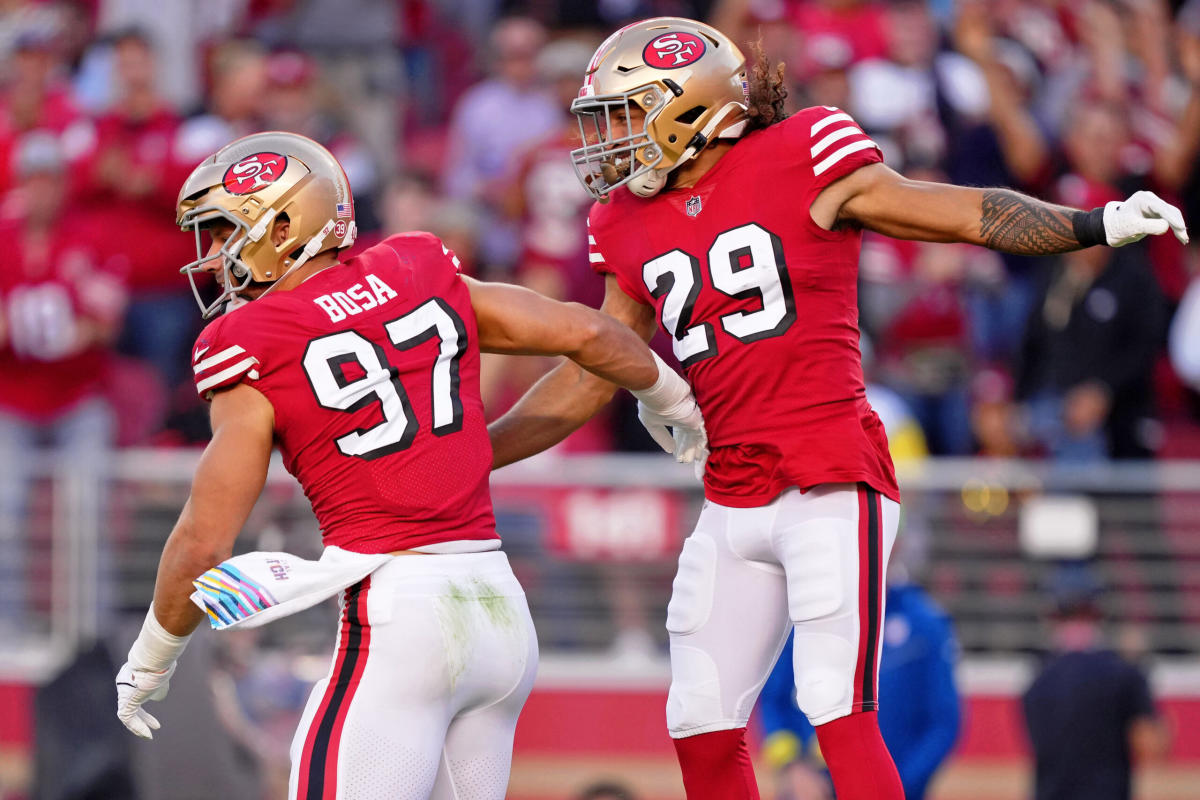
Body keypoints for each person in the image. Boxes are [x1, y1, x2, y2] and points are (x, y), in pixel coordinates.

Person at [486, 17, 1189, 800]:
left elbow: (952, 210)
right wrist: (472, 457)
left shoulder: (803, 149)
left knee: (834, 703)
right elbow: (593, 368)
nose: (610, 141)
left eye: (626, 115)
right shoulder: (621, 220)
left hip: (830, 476)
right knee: (698, 717)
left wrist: (1092, 225)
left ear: (689, 107)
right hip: (730, 489)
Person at [113, 132, 706, 800]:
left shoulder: (249, 339)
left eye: (227, 231)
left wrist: (150, 660)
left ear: (284, 224)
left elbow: (204, 538)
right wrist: (675, 398)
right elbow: (589, 334)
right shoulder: (413, 266)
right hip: (501, 617)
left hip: (399, 619)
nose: (217, 256)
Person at [1023, 564, 1169, 800]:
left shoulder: (1037, 679)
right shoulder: (1124, 674)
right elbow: (1153, 747)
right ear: (1100, 611)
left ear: (1051, 614)